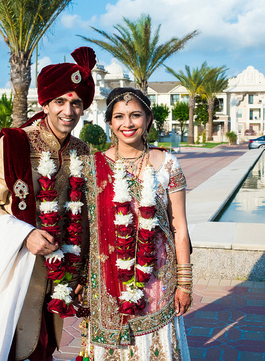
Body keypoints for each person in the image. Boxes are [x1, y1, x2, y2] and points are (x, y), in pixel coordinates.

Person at [0, 47, 96, 361]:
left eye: (76, 103)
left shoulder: (82, 151)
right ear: (44, 103)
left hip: (63, 270)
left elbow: (86, 214)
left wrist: (81, 274)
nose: (68, 111)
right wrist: (25, 235)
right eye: (60, 102)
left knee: (46, 347)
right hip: (21, 265)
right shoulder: (16, 142)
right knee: (15, 345)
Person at [81, 87, 192, 360]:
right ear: (109, 122)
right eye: (119, 116)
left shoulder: (167, 164)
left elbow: (179, 227)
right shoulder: (92, 167)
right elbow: (86, 231)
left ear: (148, 119)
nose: (127, 123)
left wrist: (185, 282)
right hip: (107, 283)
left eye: (135, 115)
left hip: (157, 276)